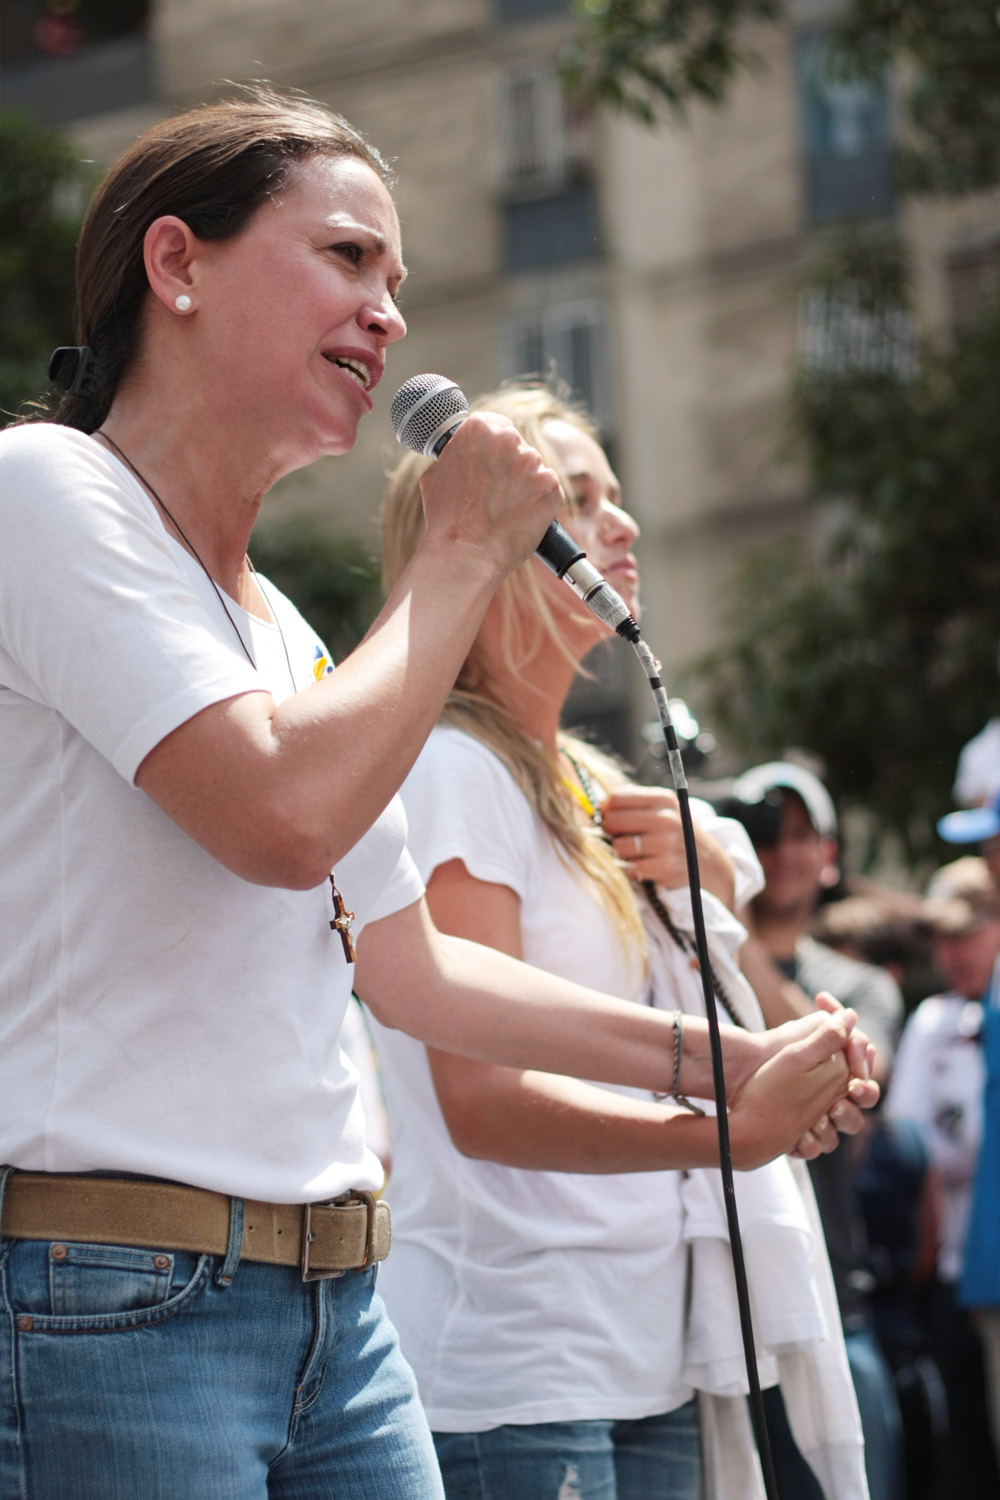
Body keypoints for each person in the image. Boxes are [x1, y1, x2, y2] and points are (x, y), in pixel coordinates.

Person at [0, 90, 876, 1500]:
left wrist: (729, 1070)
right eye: (347, 257)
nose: (389, 315)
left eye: (396, 278)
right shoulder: (43, 486)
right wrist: (463, 555)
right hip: (114, 1297)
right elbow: (279, 819)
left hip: (337, 1312)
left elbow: (417, 973)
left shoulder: (283, 629)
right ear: (178, 264)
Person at [373, 384, 874, 1500]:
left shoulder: (595, 787)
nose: (624, 523)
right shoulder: (452, 768)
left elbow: (740, 1018)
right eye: (580, 498)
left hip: (652, 1350)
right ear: (489, 532)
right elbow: (481, 1099)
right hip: (522, 1361)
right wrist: (728, 1134)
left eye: (615, 493)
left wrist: (790, 1034)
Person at [728, 762, 905, 1500]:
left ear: (830, 855)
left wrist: (722, 932)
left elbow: (849, 1072)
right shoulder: (688, 967)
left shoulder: (862, 985)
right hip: (722, 1323)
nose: (781, 852)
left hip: (833, 1305)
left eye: (800, 835)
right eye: (762, 834)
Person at [888, 858, 1000, 1497]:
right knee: (965, 1459)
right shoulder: (934, 1021)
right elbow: (913, 1145)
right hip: (951, 1275)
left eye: (965, 931)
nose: (949, 952)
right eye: (939, 936)